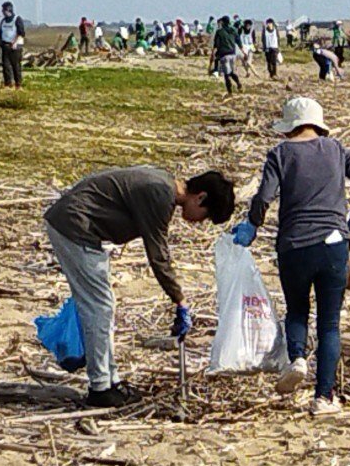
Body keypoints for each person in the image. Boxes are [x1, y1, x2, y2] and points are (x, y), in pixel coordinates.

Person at [232, 97, 350, 413]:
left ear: (289, 127)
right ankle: (324, 398)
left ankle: (297, 358)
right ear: (317, 124)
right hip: (334, 243)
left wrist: (251, 226)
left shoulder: (280, 154)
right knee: (329, 323)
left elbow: (264, 197)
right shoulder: (337, 150)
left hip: (293, 245)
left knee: (297, 310)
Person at [44, 167, 235, 407]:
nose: (200, 222)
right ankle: (100, 387)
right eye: (205, 215)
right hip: (73, 227)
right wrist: (180, 300)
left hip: (79, 229)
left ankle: (110, 381)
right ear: (201, 197)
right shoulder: (159, 193)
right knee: (99, 308)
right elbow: (158, 255)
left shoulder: (163, 187)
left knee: (103, 307)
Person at [0, 1, 26, 89]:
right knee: (5, 65)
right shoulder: (3, 21)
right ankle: (8, 84)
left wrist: (15, 42)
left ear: (8, 10)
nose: (2, 12)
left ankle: (18, 84)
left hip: (15, 46)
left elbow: (21, 32)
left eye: (4, 10)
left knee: (16, 66)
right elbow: (1, 33)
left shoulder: (17, 19)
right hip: (5, 46)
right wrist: (0, 44)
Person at [212, 15, 242, 94]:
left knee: (226, 75)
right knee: (231, 72)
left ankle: (230, 92)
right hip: (232, 54)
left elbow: (216, 44)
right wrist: (243, 51)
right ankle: (238, 83)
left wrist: (213, 54)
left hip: (224, 55)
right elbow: (238, 41)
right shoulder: (234, 30)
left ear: (222, 22)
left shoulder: (219, 32)